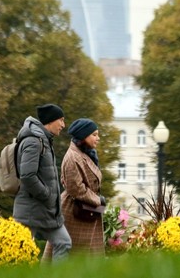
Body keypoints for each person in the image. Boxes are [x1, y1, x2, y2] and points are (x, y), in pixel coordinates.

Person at [12, 103, 72, 261]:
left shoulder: (44, 140)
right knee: (21, 256)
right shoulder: (33, 141)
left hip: (45, 210)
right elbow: (27, 176)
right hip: (30, 210)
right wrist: (46, 194)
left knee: (63, 242)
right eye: (61, 120)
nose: (63, 125)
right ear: (51, 121)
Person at [59, 118, 106, 255]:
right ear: (83, 136)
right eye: (94, 134)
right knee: (75, 259)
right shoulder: (73, 157)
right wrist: (98, 200)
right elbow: (76, 189)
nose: (98, 138)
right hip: (75, 212)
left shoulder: (86, 154)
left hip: (86, 210)